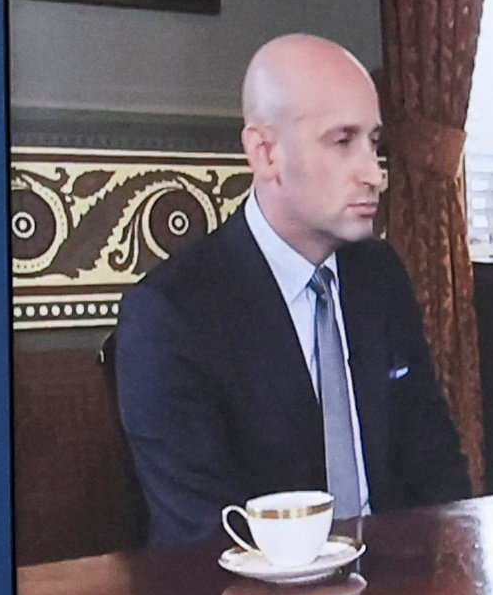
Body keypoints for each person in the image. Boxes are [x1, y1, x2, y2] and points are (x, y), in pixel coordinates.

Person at [113, 34, 474, 551]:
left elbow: (435, 462)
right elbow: (205, 535)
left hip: (401, 590)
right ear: (266, 152)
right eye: (342, 140)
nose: (375, 174)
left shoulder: (380, 276)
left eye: (374, 142)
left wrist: (457, 577)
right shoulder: (172, 314)